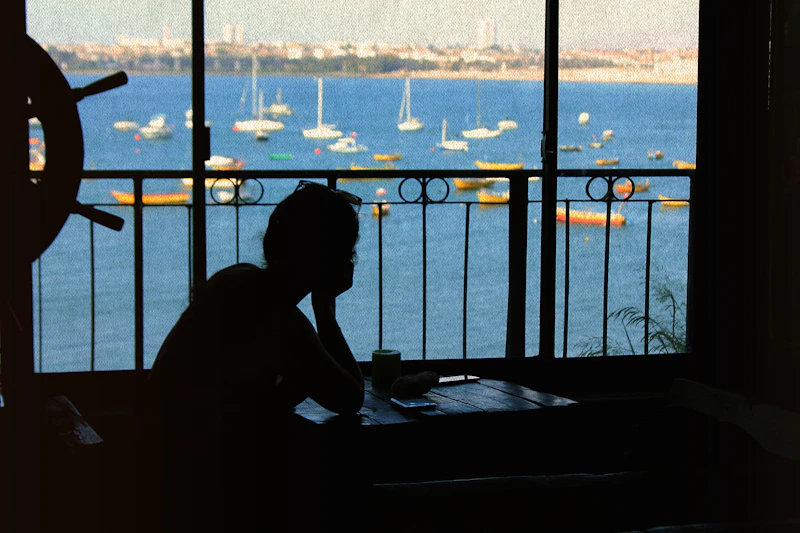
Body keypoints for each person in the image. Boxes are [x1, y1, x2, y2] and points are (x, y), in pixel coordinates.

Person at [140, 180, 365, 532]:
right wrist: (325, 309)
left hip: (163, 464)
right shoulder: (279, 316)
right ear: (330, 258)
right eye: (347, 251)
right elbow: (349, 397)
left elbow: (270, 393)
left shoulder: (236, 279)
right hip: (201, 489)